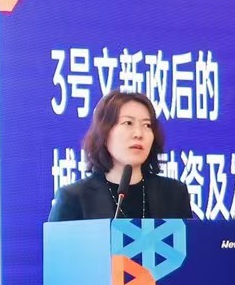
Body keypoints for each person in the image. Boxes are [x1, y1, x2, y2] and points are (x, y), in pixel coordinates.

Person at [48, 91, 195, 221]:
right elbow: (59, 245)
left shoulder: (174, 194)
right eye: (128, 123)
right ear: (104, 133)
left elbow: (189, 243)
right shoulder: (74, 198)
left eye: (147, 125)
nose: (139, 133)